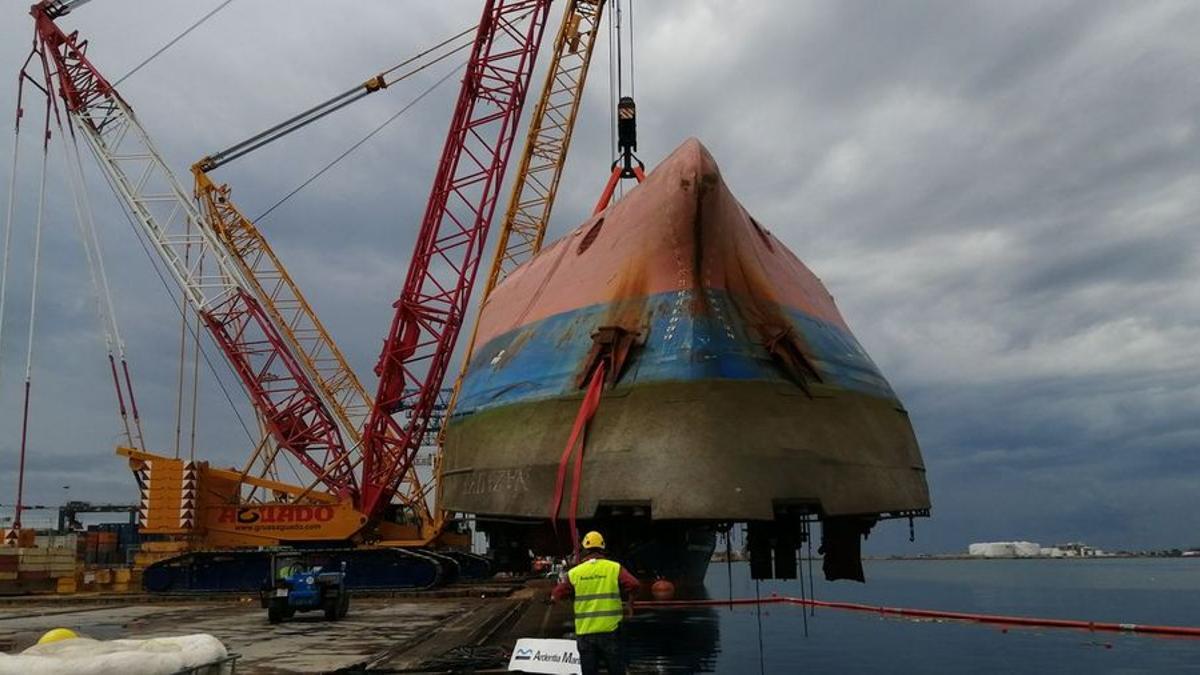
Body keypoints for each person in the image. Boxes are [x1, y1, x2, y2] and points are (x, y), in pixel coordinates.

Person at [551, 531, 640, 675]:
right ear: (603, 548)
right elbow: (634, 585)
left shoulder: (575, 573)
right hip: (610, 632)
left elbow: (555, 596)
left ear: (584, 549)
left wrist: (572, 603)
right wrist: (629, 605)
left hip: (585, 633)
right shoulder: (614, 568)